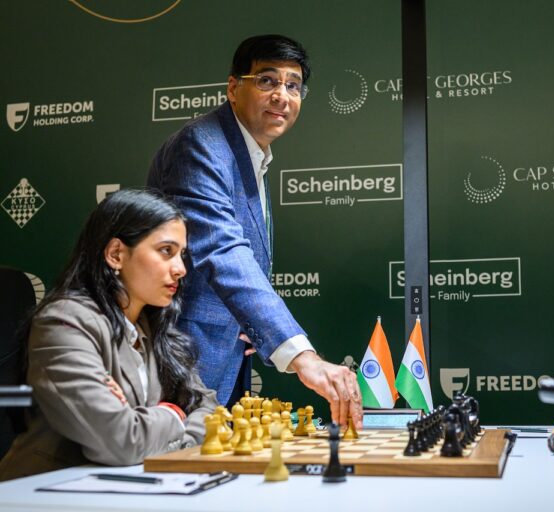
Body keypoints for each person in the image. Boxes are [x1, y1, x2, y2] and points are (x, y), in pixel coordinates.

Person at [147, 34, 362, 430]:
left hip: (227, 353)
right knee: (176, 477)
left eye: (293, 85)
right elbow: (222, 250)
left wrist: (250, 323)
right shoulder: (202, 145)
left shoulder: (251, 153)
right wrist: (302, 357)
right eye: (267, 81)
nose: (282, 95)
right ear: (233, 88)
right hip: (187, 355)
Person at [0, 189, 218, 480]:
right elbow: (120, 440)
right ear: (116, 254)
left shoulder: (153, 329)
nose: (180, 269)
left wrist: (156, 429)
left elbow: (210, 411)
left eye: (182, 254)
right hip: (45, 497)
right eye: (166, 251)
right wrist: (175, 413)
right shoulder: (65, 321)